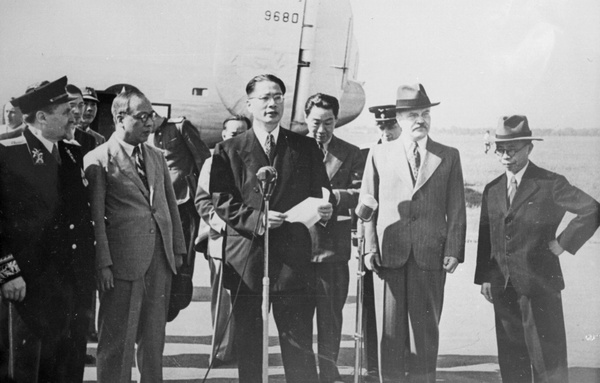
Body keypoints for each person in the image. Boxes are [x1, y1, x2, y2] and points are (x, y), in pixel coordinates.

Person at [209, 74, 333, 383]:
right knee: (250, 346)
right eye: (265, 98)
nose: (272, 104)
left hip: (292, 261)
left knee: (298, 345)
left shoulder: (304, 147)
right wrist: (258, 219)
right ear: (250, 104)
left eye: (278, 97)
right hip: (247, 261)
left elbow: (322, 191)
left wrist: (326, 208)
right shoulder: (227, 150)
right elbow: (220, 200)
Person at [475, 115, 600, 383]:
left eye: (512, 150)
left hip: (541, 286)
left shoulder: (550, 183)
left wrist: (563, 242)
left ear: (529, 148)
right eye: (501, 150)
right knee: (511, 361)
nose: (506, 156)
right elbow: (486, 236)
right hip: (503, 288)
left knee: (548, 364)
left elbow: (591, 209)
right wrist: (485, 277)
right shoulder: (492, 189)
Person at [360, 83, 466, 382]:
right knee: (389, 334)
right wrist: (369, 248)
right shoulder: (379, 154)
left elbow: (456, 208)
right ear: (399, 119)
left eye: (425, 113)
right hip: (388, 254)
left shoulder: (448, 155)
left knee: (425, 333)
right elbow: (367, 203)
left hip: (430, 254)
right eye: (412, 115)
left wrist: (454, 250)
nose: (420, 120)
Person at [84, 88, 187, 382]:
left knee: (154, 340)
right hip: (122, 265)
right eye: (142, 117)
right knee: (118, 341)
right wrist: (103, 264)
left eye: (151, 116)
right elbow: (95, 219)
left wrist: (177, 251)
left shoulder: (155, 156)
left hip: (160, 260)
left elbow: (169, 204)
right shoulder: (99, 159)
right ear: (120, 118)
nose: (150, 123)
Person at [0, 76, 96, 382]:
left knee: (67, 367)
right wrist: (8, 272)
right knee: (27, 368)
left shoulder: (71, 153)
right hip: (28, 285)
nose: (75, 117)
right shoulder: (8, 153)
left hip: (70, 283)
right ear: (42, 117)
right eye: (66, 112)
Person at [304, 93, 364, 383]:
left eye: (328, 122)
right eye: (316, 122)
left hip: (332, 252)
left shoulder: (351, 153)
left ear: (336, 121)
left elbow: (362, 192)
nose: (321, 129)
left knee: (330, 318)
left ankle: (328, 372)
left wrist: (336, 198)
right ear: (306, 119)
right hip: (298, 250)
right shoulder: (291, 149)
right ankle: (302, 373)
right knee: (298, 320)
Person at [195, 114, 251, 366]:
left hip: (250, 242)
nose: (236, 138)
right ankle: (220, 351)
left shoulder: (256, 161)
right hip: (222, 240)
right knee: (222, 300)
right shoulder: (213, 161)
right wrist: (225, 225)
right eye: (232, 133)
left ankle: (241, 348)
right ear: (223, 135)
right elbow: (202, 200)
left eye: (242, 133)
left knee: (248, 299)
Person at [149, 113, 211, 320]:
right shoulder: (149, 134)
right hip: (161, 201)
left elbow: (202, 157)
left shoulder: (180, 126)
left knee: (184, 253)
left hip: (184, 201)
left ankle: (178, 297)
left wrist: (206, 194)